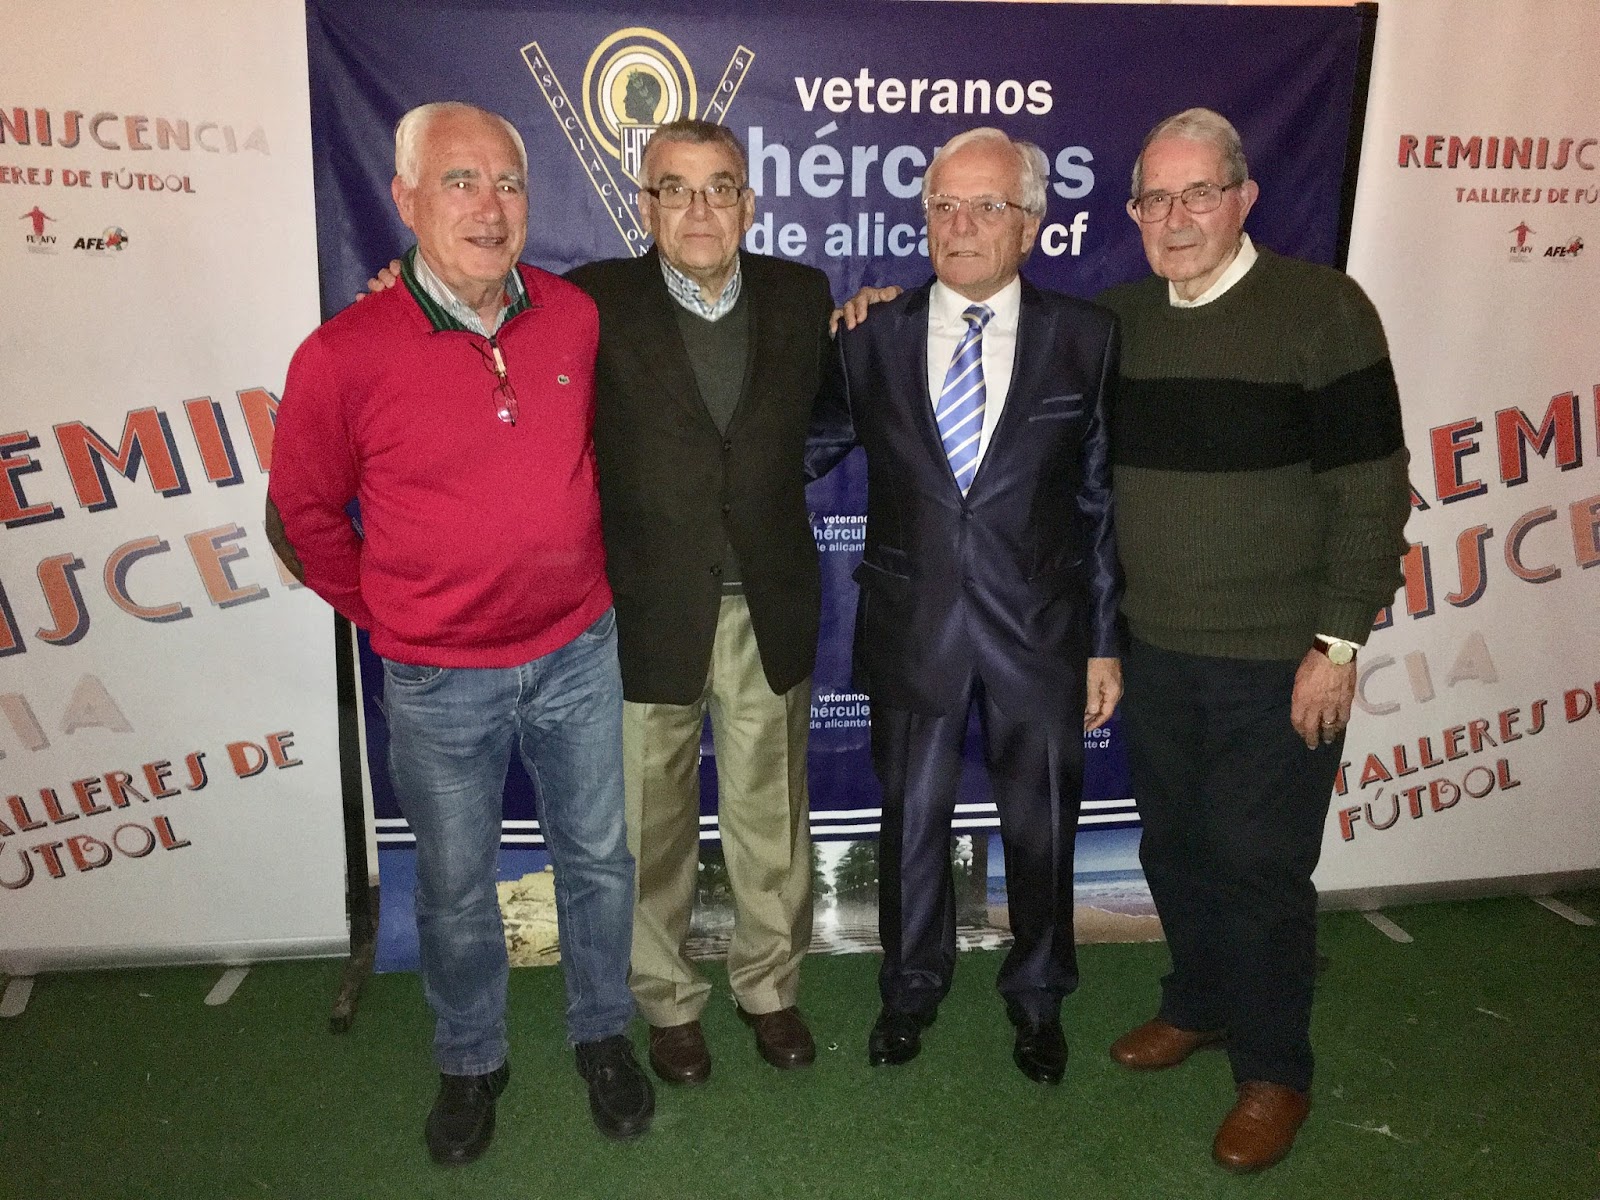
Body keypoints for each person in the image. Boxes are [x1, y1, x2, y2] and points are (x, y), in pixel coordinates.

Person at [265, 101, 653, 1164]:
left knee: (597, 861)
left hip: (578, 650)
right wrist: (388, 611)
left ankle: (602, 1034)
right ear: (405, 199)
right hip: (438, 679)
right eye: (460, 181)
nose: (489, 205)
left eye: (508, 182)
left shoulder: (574, 316)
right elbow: (301, 514)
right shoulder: (342, 353)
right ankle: (471, 1058)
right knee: (451, 885)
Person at [1097, 107, 1410, 1172]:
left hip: (1281, 658)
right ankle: (1199, 1003)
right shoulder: (1121, 322)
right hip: (1156, 648)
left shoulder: (1323, 311)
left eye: (1197, 193)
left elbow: (1372, 491)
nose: (1176, 217)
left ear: (1244, 199)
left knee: (1259, 867)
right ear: (1134, 212)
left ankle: (1274, 1071)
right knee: (1174, 846)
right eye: (1155, 198)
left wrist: (1339, 643)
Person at [806, 127, 1122, 1085]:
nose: (961, 224)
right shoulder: (870, 336)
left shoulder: (1087, 337)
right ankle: (909, 988)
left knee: (1043, 824)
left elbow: (1100, 499)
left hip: (1043, 629)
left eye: (987, 206)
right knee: (911, 820)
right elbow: (797, 448)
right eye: (943, 205)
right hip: (914, 623)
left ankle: (1039, 995)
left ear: (1031, 225)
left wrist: (1104, 641)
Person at [566, 121, 835, 1084]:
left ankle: (770, 989)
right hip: (646, 606)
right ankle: (668, 1001)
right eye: (673, 189)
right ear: (645, 206)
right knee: (651, 826)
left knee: (773, 817)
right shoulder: (593, 301)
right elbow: (482, 313)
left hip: (766, 598)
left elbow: (840, 406)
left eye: (719, 187)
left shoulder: (802, 296)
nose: (698, 209)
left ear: (749, 203)